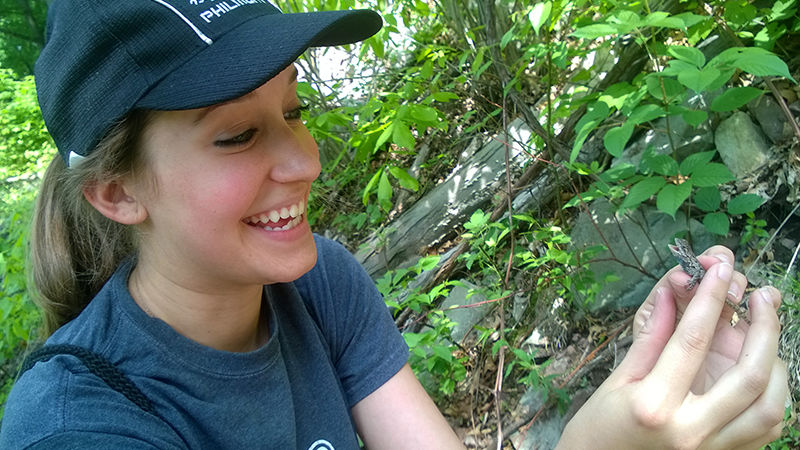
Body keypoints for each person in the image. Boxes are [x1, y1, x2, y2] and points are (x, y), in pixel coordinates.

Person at [0, 0, 787, 449]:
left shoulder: (318, 285)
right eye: (236, 135)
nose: (304, 161)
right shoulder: (79, 425)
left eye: (294, 111)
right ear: (114, 194)